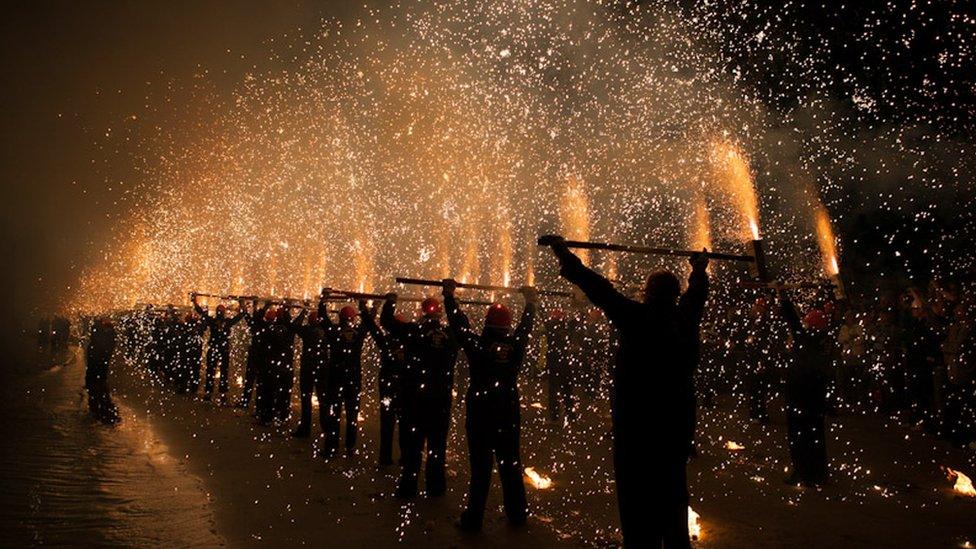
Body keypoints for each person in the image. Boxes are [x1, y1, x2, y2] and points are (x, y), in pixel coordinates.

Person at [540, 234, 709, 549]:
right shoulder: (685, 318)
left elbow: (598, 288)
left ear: (647, 293)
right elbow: (696, 295)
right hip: (674, 428)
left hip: (637, 431)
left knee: (636, 502)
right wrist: (698, 269)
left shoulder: (636, 317)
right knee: (673, 497)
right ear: (675, 295)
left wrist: (563, 253)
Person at [442, 279, 537, 531]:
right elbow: (526, 329)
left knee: (481, 470)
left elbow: (458, 327)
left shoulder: (478, 345)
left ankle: (474, 519)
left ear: (485, 323)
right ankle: (517, 514)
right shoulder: (515, 345)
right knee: (511, 465)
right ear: (507, 325)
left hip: (481, 414)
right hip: (507, 413)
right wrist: (531, 303)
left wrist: (449, 296)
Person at [382, 294, 459, 497]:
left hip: (415, 397)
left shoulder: (413, 331)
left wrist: (390, 302)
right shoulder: (451, 334)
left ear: (422, 313)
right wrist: (454, 303)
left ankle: (408, 487)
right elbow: (463, 327)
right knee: (437, 444)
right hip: (441, 399)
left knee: (413, 445)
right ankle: (435, 487)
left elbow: (386, 322)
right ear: (440, 313)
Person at [778, 293, 831, 486]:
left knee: (800, 435)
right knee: (816, 435)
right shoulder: (822, 341)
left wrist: (783, 300)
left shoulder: (809, 341)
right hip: (815, 397)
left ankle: (804, 472)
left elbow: (794, 324)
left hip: (801, 396)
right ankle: (818, 473)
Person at [319, 291, 369, 458]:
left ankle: (331, 448)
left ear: (340, 318)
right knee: (352, 415)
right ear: (353, 318)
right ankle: (350, 447)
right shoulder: (358, 334)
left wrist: (323, 302)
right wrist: (367, 306)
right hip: (353, 379)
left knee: (334, 414)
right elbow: (367, 324)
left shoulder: (334, 332)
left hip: (336, 378)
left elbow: (323, 320)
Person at [359, 299, 406, 466]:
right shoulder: (411, 341)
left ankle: (385, 457)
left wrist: (364, 310)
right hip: (404, 387)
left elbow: (372, 328)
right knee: (405, 425)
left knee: (387, 423)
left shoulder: (385, 341)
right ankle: (405, 457)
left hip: (387, 385)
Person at [192, 295, 245, 403]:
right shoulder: (226, 322)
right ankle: (221, 393)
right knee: (221, 371)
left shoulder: (214, 321)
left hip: (216, 348)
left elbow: (201, 312)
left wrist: (195, 302)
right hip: (222, 349)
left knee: (212, 371)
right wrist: (242, 304)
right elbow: (240, 316)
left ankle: (210, 392)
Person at [293, 301, 330, 438]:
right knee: (323, 400)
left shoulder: (307, 331)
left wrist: (304, 310)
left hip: (308, 369)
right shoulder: (327, 331)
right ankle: (326, 429)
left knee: (306, 399)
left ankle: (305, 429)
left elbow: (295, 326)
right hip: (323, 369)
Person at [238, 300, 272, 409]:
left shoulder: (256, 326)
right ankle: (259, 405)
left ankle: (245, 401)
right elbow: (253, 317)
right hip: (264, 357)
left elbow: (250, 317)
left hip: (255, 356)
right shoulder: (268, 327)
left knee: (250, 380)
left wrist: (247, 305)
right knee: (261, 383)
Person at [85, 317, 120, 425]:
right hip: (101, 361)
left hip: (98, 362)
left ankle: (98, 407)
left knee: (96, 382)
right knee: (99, 380)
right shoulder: (107, 336)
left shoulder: (99, 338)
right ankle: (101, 405)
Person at [544, 308, 575, 425]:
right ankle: (570, 414)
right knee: (567, 389)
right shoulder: (567, 327)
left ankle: (554, 417)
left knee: (553, 390)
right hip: (565, 362)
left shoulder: (550, 326)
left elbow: (544, 319)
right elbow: (576, 321)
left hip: (554, 363)